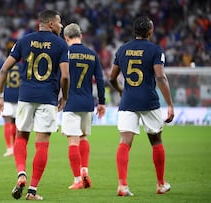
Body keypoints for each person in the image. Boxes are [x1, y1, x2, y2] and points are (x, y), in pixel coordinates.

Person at [0, 9, 69, 200]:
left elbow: (3, 69)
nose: (61, 25)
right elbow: (66, 75)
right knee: (42, 143)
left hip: (25, 96)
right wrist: (65, 97)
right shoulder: (60, 44)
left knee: (21, 136)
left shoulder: (24, 40)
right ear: (51, 24)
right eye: (59, 22)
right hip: (48, 98)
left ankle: (21, 173)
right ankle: (32, 190)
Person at [109, 16, 174, 197]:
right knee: (156, 140)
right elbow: (160, 77)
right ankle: (160, 184)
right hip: (149, 101)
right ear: (150, 31)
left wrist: (121, 90)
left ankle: (122, 185)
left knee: (124, 142)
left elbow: (112, 77)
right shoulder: (155, 50)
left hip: (128, 101)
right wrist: (169, 103)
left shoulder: (122, 49)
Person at [61, 23, 106, 190]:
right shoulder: (92, 54)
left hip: (70, 102)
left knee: (72, 141)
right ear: (80, 35)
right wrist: (101, 102)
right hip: (88, 103)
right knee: (84, 137)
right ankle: (85, 170)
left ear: (66, 38)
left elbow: (61, 77)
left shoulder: (65, 53)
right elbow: (100, 81)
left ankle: (77, 179)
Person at [0, 41, 21, 157]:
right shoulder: (21, 66)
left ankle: (9, 147)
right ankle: (15, 147)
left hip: (7, 95)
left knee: (7, 122)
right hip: (19, 96)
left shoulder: (1, 64)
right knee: (16, 123)